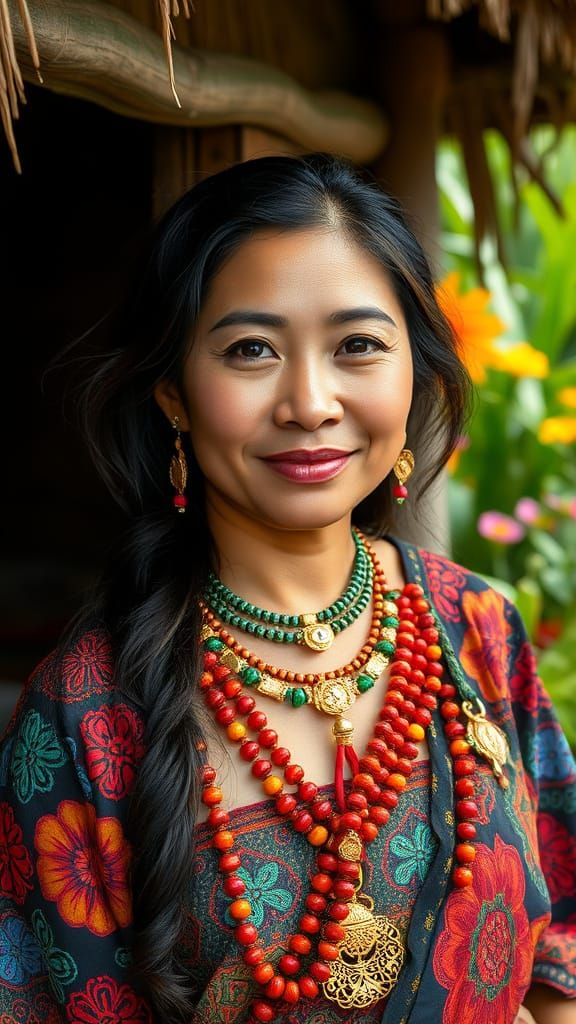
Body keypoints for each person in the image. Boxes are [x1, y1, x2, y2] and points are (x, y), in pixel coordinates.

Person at [0, 154, 574, 1024]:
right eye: (250, 350)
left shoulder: (476, 625)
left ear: (413, 371)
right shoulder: (82, 717)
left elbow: (559, 941)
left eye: (358, 346)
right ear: (175, 397)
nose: (309, 402)